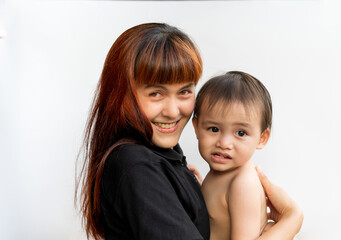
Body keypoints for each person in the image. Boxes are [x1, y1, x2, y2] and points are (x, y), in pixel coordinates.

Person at [76, 23, 303, 240]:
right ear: (122, 95)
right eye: (156, 93)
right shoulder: (137, 164)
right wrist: (291, 221)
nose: (173, 111)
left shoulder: (163, 153)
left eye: (185, 91)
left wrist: (193, 196)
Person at [192, 71, 273, 239]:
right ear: (196, 127)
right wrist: (197, 190)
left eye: (240, 133)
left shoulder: (242, 184)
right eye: (214, 129)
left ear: (262, 138)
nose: (224, 143)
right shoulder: (223, 173)